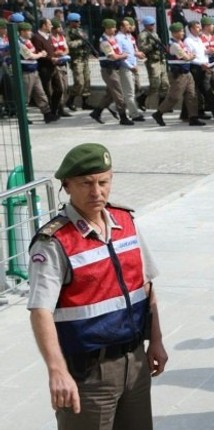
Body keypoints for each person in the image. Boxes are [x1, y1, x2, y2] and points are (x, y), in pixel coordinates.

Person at [28, 143, 167, 430]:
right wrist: (57, 371)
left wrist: (156, 340)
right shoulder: (54, 241)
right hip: (88, 374)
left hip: (135, 362)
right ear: (66, 186)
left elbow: (146, 286)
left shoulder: (126, 222)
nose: (97, 192)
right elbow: (40, 311)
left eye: (104, 182)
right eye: (86, 183)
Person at [151, 23, 204, 127]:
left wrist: (190, 56)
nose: (183, 33)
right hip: (178, 74)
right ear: (175, 33)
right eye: (181, 31)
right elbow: (186, 57)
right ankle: (159, 113)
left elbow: (189, 55)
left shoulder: (181, 43)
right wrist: (191, 56)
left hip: (187, 72)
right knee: (174, 97)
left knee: (192, 95)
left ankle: (193, 117)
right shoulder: (174, 45)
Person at [90, 19, 134, 126]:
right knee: (119, 94)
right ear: (107, 28)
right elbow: (112, 56)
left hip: (115, 68)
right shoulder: (104, 41)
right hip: (109, 70)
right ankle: (123, 117)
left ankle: (96, 112)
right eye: (113, 28)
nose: (115, 29)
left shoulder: (112, 39)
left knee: (110, 94)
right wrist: (123, 56)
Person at [18, 22, 59, 123]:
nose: (30, 32)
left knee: (41, 94)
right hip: (26, 72)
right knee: (25, 96)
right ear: (22, 32)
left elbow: (34, 53)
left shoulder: (28, 41)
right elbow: (29, 56)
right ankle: (23, 117)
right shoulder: (19, 43)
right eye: (28, 31)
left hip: (34, 71)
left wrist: (39, 54)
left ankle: (47, 114)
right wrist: (41, 54)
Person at [138, 16, 169, 113]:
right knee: (155, 84)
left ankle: (162, 107)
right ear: (146, 25)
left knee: (165, 84)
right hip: (152, 61)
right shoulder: (143, 35)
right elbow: (142, 48)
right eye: (151, 25)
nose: (153, 26)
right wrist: (152, 46)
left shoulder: (153, 33)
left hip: (160, 60)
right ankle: (141, 98)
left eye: (153, 24)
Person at [116, 17, 145, 122]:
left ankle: (113, 107)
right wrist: (130, 66)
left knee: (131, 90)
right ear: (121, 27)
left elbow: (132, 52)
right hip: (125, 67)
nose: (130, 26)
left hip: (133, 66)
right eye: (127, 25)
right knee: (129, 92)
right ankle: (134, 114)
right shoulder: (118, 38)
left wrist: (138, 56)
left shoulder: (129, 37)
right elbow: (120, 55)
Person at [65, 13, 93, 111]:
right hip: (76, 59)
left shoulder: (80, 31)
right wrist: (80, 42)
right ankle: (70, 100)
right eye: (76, 21)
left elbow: (87, 41)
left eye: (79, 21)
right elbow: (68, 44)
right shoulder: (67, 32)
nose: (79, 23)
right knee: (79, 82)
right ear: (71, 22)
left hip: (84, 58)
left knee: (87, 80)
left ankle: (85, 102)